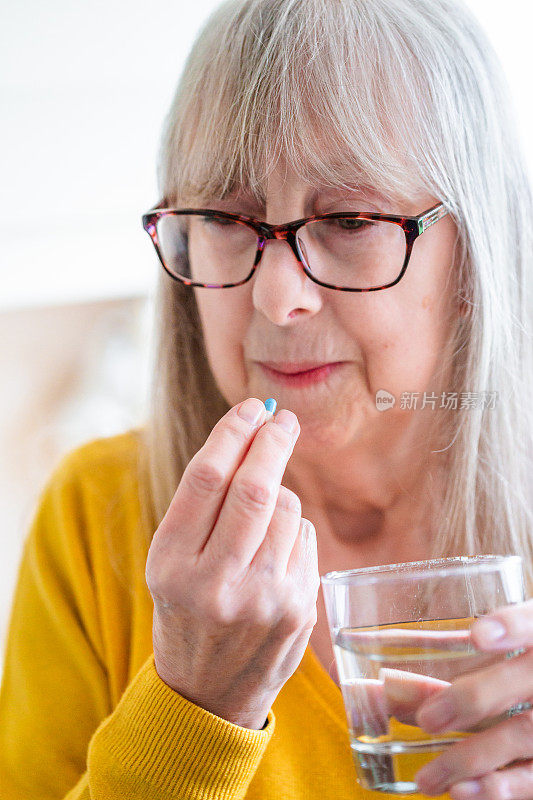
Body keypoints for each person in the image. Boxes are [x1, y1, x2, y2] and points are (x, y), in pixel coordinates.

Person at [1, 0, 533, 797]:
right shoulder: (97, 513)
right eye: (225, 217)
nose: (276, 296)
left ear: (474, 257)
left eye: (350, 219)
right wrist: (196, 706)